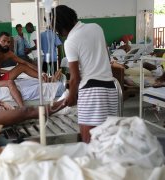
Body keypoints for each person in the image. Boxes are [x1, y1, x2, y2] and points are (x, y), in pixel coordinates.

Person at [54, 5, 118, 143]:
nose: (58, 33)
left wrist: (71, 96)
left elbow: (75, 77)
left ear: (60, 26)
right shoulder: (96, 27)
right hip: (110, 88)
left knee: (89, 140)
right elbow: (105, 57)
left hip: (91, 92)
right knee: (108, 139)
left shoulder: (70, 41)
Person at [0, 31, 46, 108]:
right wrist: (5, 71)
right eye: (4, 41)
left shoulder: (8, 53)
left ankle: (44, 78)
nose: (6, 44)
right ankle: (23, 108)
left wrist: (42, 72)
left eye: (8, 42)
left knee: (22, 66)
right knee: (10, 82)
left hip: (0, 79)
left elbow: (25, 63)